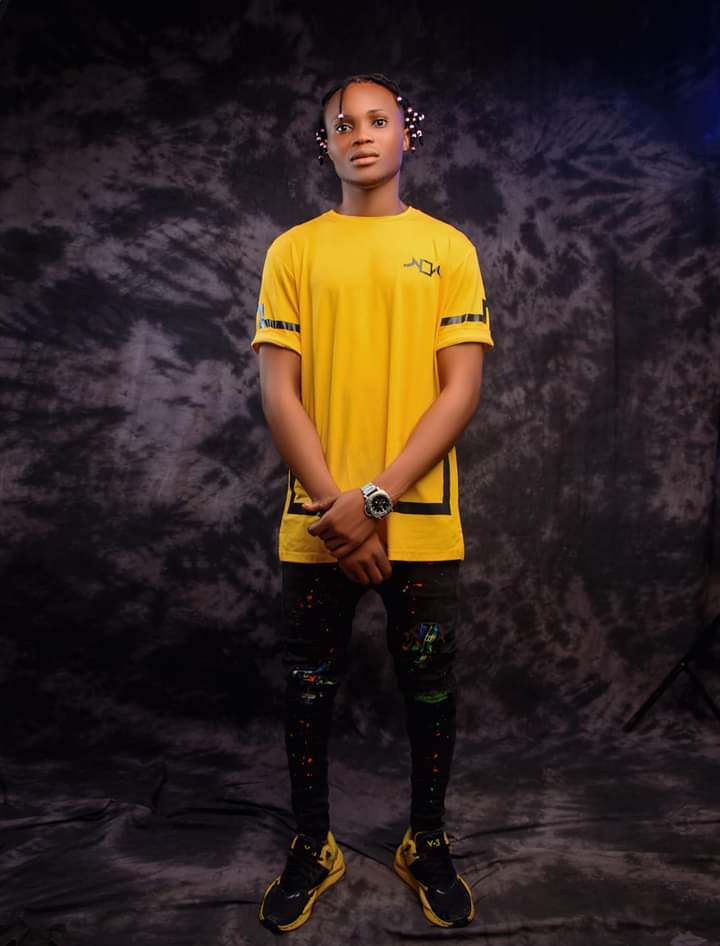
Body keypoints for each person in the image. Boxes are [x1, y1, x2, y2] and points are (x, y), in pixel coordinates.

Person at [251, 72, 494, 934]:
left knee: (431, 686)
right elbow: (279, 394)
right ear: (324, 145)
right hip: (319, 524)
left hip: (419, 525)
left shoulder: (449, 249)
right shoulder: (293, 252)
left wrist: (378, 499)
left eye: (378, 120)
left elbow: (460, 391)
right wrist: (340, 511)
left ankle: (426, 839)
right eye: (343, 124)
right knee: (307, 687)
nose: (361, 134)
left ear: (405, 134)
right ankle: (312, 842)